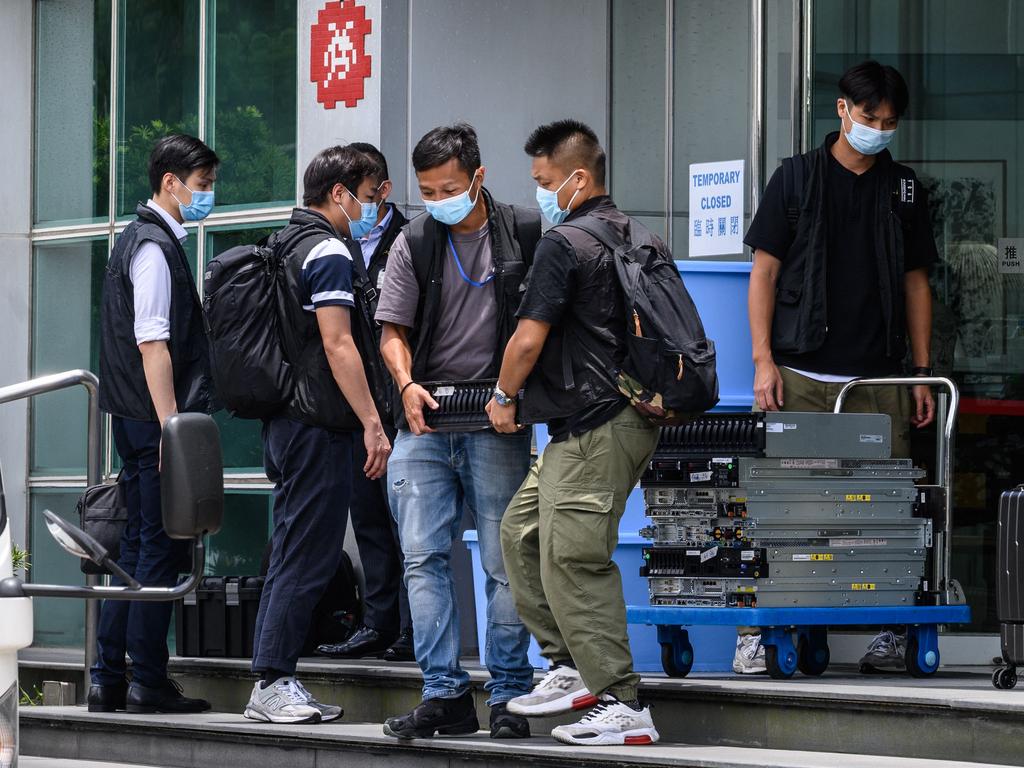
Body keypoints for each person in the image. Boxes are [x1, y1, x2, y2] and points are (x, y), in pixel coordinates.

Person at [741, 60, 938, 675]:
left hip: (880, 378)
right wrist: (763, 361)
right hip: (800, 372)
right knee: (786, 507)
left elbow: (915, 282)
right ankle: (764, 629)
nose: (878, 131)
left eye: (889, 122)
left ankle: (893, 630)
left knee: (889, 509)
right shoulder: (796, 179)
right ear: (841, 110)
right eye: (869, 118)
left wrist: (922, 372)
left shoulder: (903, 189)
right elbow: (765, 273)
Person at [491, 119, 661, 747]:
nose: (538, 192)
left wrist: (505, 395)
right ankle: (570, 668)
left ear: (577, 178)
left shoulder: (566, 243)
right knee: (522, 531)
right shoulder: (637, 236)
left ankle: (621, 703)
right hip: (593, 424)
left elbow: (528, 336)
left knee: (574, 556)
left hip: (600, 423)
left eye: (543, 181)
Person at [376, 123, 539, 740]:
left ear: (478, 177)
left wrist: (516, 393)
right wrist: (405, 383)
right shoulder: (414, 241)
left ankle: (510, 693)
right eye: (427, 190)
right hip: (424, 418)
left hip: (497, 419)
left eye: (449, 187)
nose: (439, 199)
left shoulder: (523, 231)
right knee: (422, 558)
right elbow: (392, 329)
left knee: (505, 563)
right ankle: (443, 694)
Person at [244, 145, 391, 724]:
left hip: (286, 421)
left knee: (291, 549)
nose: (375, 205)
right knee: (308, 554)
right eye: (370, 194)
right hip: (317, 425)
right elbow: (337, 343)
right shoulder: (328, 249)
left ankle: (272, 676)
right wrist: (372, 421)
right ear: (339, 193)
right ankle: (272, 680)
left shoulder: (284, 243)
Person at [91, 134, 218, 715]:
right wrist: (173, 428)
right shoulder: (153, 247)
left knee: (139, 549)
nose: (208, 195)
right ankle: (144, 679)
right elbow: (153, 343)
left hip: (133, 417)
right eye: (203, 184)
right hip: (151, 421)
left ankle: (109, 680)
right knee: (157, 553)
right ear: (171, 181)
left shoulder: (138, 240)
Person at [317, 142, 413, 662]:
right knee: (370, 519)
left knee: (411, 524)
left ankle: (414, 629)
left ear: (385, 191)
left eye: (371, 195)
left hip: (404, 400)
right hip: (360, 408)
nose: (364, 205)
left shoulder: (414, 237)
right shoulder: (335, 241)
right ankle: (378, 623)